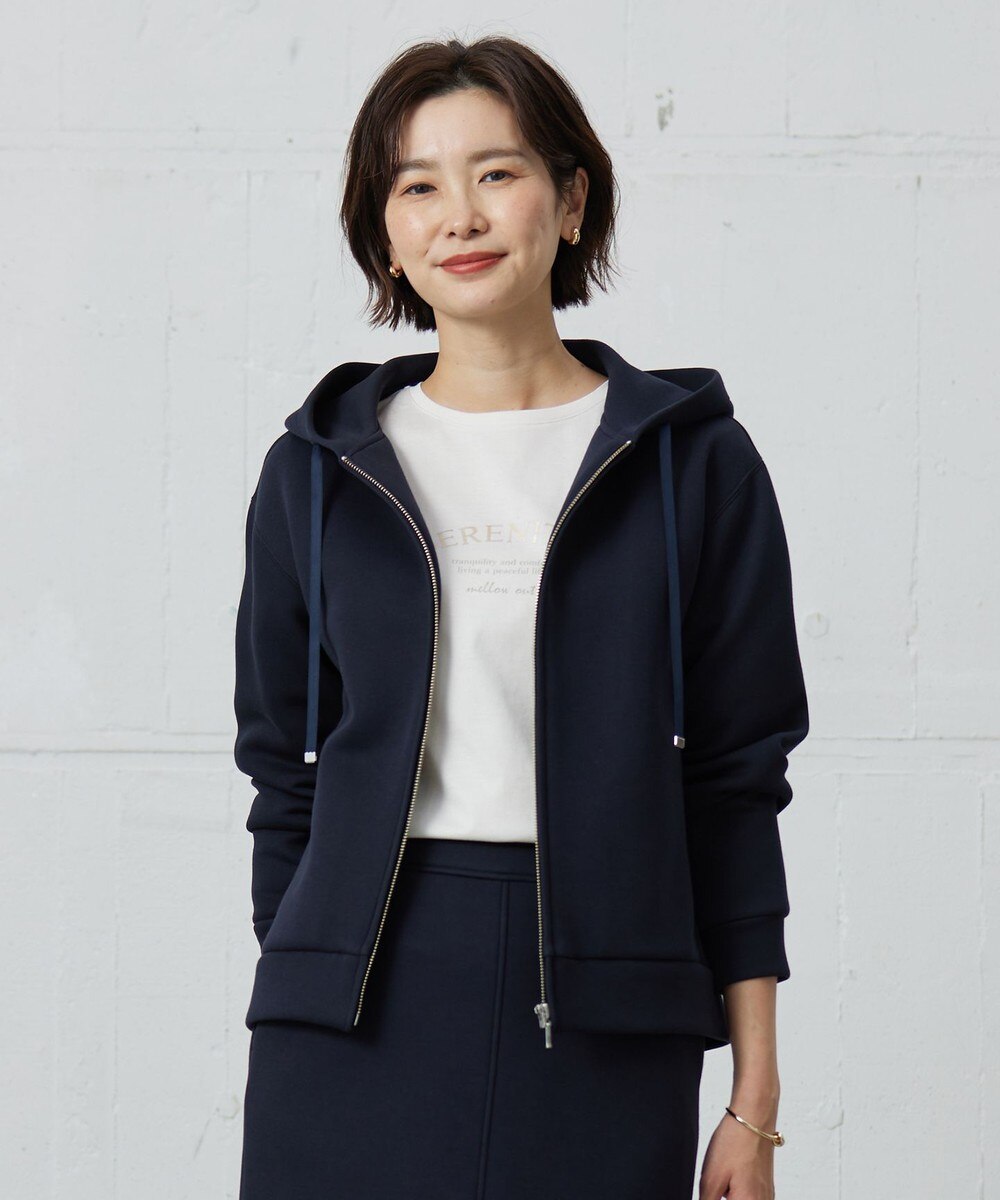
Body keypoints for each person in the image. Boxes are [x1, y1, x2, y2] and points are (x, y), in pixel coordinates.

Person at [234, 33, 808, 1200]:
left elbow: (735, 786)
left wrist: (753, 1098)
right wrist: (309, 954)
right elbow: (281, 770)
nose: (460, 214)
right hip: (352, 1012)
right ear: (384, 234)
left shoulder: (694, 467)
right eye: (416, 185)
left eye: (495, 172)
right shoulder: (316, 473)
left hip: (610, 1004)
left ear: (571, 198)